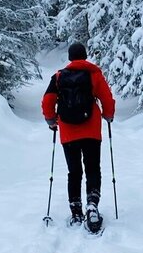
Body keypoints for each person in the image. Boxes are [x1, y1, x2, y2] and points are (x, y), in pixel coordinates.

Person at [41, 42, 115, 229]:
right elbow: (106, 97)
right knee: (92, 168)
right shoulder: (93, 74)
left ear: (70, 57)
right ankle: (92, 205)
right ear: (85, 55)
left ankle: (75, 211)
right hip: (91, 130)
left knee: (74, 172)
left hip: (68, 132)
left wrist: (51, 120)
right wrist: (108, 115)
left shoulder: (58, 77)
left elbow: (47, 101)